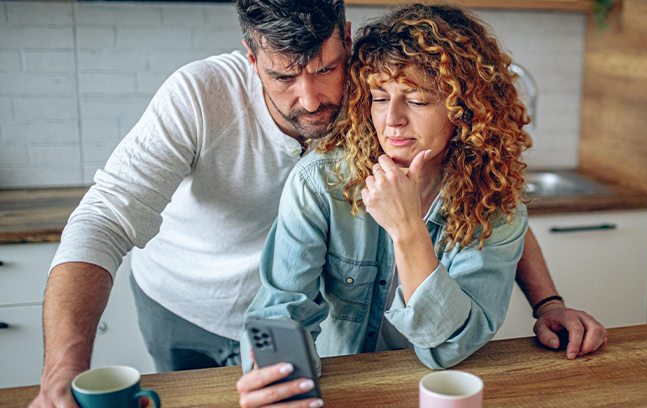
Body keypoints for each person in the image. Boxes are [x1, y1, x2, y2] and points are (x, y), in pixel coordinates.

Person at [30, 1, 606, 407]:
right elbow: (105, 217)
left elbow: (487, 199)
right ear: (252, 58)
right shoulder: (204, 99)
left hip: (367, 347)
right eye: (284, 76)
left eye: (326, 69)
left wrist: (547, 300)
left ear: (347, 42)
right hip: (189, 303)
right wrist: (62, 367)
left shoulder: (385, 76)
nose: (311, 97)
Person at [235, 4, 586, 408]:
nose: (393, 120)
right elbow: (282, 310)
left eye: (417, 101)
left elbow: (451, 348)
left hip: (433, 393)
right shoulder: (319, 183)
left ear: (464, 111)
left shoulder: (494, 206)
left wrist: (408, 232)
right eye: (380, 98)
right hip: (338, 389)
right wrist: (284, 381)